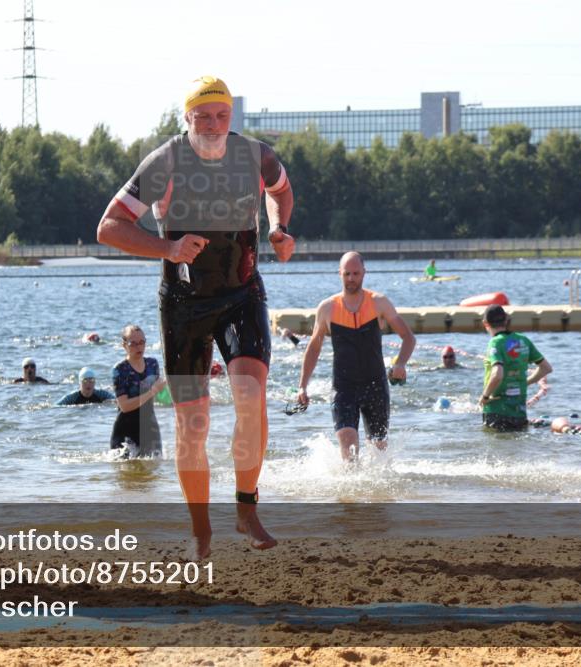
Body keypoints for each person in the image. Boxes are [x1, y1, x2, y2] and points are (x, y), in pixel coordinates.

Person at [97, 75, 294, 557]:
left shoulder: (257, 156)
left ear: (232, 117)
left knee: (251, 394)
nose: (211, 125)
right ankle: (202, 529)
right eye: (201, 116)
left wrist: (279, 227)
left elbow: (281, 190)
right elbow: (108, 227)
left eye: (221, 115)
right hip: (184, 305)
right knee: (193, 424)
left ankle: (246, 509)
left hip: (243, 293)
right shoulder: (166, 162)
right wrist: (167, 246)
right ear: (186, 118)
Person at [296, 252, 415, 461]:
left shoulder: (379, 303)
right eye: (347, 274)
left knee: (379, 454)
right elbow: (314, 348)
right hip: (344, 387)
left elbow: (408, 338)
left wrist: (401, 363)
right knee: (349, 450)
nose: (351, 278)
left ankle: (373, 494)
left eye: (356, 273)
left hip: (375, 385)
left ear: (364, 273)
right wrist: (303, 386)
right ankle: (350, 491)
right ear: (339, 274)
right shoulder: (328, 308)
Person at [478, 305, 552, 431]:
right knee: (517, 447)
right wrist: (525, 382)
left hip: (497, 410)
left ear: (485, 323)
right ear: (506, 320)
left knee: (496, 447)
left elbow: (497, 374)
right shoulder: (523, 340)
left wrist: (484, 397)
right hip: (519, 411)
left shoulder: (495, 342)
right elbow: (546, 368)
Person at [111, 325, 166, 458]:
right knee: (127, 476)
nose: (139, 347)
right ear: (124, 345)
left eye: (142, 342)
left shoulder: (152, 364)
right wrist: (152, 391)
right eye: (133, 343)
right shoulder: (120, 369)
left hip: (150, 427)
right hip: (125, 430)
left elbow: (160, 397)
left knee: (154, 474)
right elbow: (124, 406)